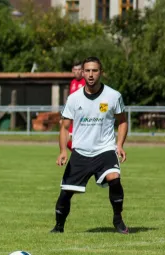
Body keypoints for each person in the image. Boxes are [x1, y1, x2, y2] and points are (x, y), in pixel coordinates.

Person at [51, 56, 129, 234]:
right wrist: (63, 151)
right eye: (87, 71)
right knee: (66, 192)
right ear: (83, 73)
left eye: (95, 70)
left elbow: (122, 121)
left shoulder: (113, 96)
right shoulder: (73, 98)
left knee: (114, 178)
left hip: (105, 150)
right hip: (81, 152)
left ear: (101, 72)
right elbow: (64, 127)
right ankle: (58, 227)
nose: (91, 74)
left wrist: (120, 145)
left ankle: (118, 219)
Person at [67, 60, 86, 151]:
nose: (77, 71)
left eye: (79, 69)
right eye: (76, 69)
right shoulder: (73, 82)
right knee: (67, 141)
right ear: (72, 70)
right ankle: (79, 156)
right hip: (73, 118)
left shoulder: (86, 82)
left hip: (83, 117)